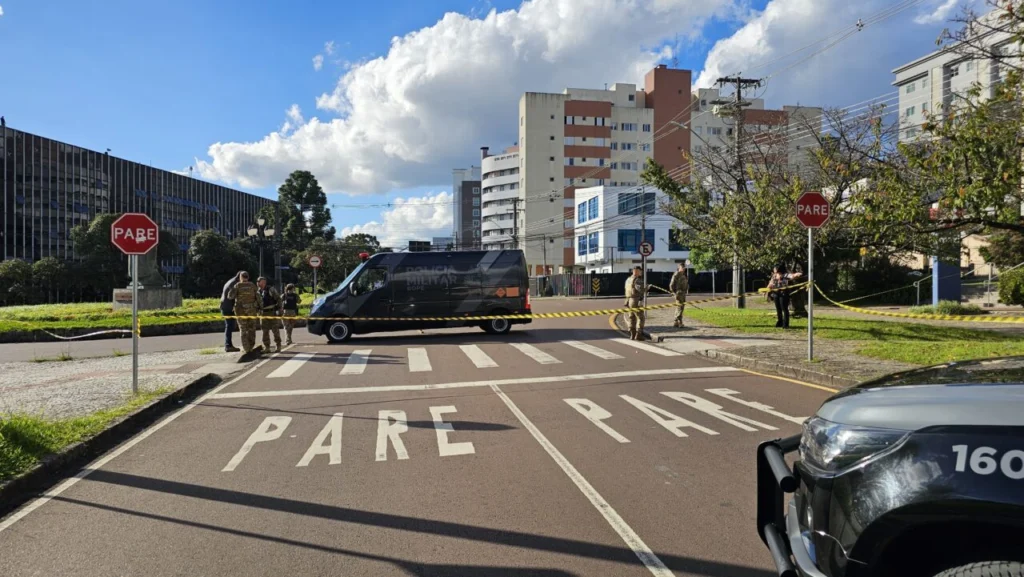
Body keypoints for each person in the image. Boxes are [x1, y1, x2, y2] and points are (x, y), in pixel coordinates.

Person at [228, 272, 262, 353]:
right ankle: (251, 346)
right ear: (248, 277)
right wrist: (260, 307)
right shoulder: (252, 285)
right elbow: (259, 297)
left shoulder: (237, 286)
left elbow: (230, 297)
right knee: (252, 328)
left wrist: (231, 289)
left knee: (243, 329)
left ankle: (246, 348)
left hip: (240, 310)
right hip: (252, 310)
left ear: (240, 277)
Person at [767, 264, 803, 329]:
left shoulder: (785, 275)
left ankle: (785, 324)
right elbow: (770, 283)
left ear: (779, 269)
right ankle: (779, 322)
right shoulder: (774, 276)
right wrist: (767, 289)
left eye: (775, 269)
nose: (774, 270)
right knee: (778, 309)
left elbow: (792, 276)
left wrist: (798, 274)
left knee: (784, 309)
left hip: (784, 294)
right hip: (776, 294)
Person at [624, 266, 650, 340]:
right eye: (640, 271)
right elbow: (641, 290)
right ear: (636, 271)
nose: (641, 272)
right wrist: (647, 288)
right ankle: (639, 334)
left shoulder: (628, 279)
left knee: (632, 318)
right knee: (641, 318)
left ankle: (632, 334)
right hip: (635, 300)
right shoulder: (637, 280)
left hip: (628, 300)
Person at [257, 277, 283, 353]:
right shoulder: (257, 291)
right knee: (264, 331)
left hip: (272, 312)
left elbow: (278, 299)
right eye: (257, 281)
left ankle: (278, 345)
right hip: (263, 313)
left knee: (275, 330)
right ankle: (267, 347)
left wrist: (279, 309)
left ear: (264, 282)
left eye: (259, 281)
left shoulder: (271, 289)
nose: (258, 283)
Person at [220, 271, 242, 352]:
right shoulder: (234, 284)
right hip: (228, 307)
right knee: (229, 326)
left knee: (229, 325)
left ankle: (228, 345)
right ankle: (228, 345)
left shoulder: (231, 281)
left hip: (225, 306)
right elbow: (232, 296)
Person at [669, 262, 689, 328]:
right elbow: (671, 285)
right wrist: (674, 293)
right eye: (682, 267)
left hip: (683, 294)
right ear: (679, 268)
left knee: (680, 307)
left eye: (684, 268)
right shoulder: (676, 274)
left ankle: (675, 322)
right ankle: (679, 322)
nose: (683, 269)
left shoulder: (683, 275)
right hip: (678, 294)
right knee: (680, 307)